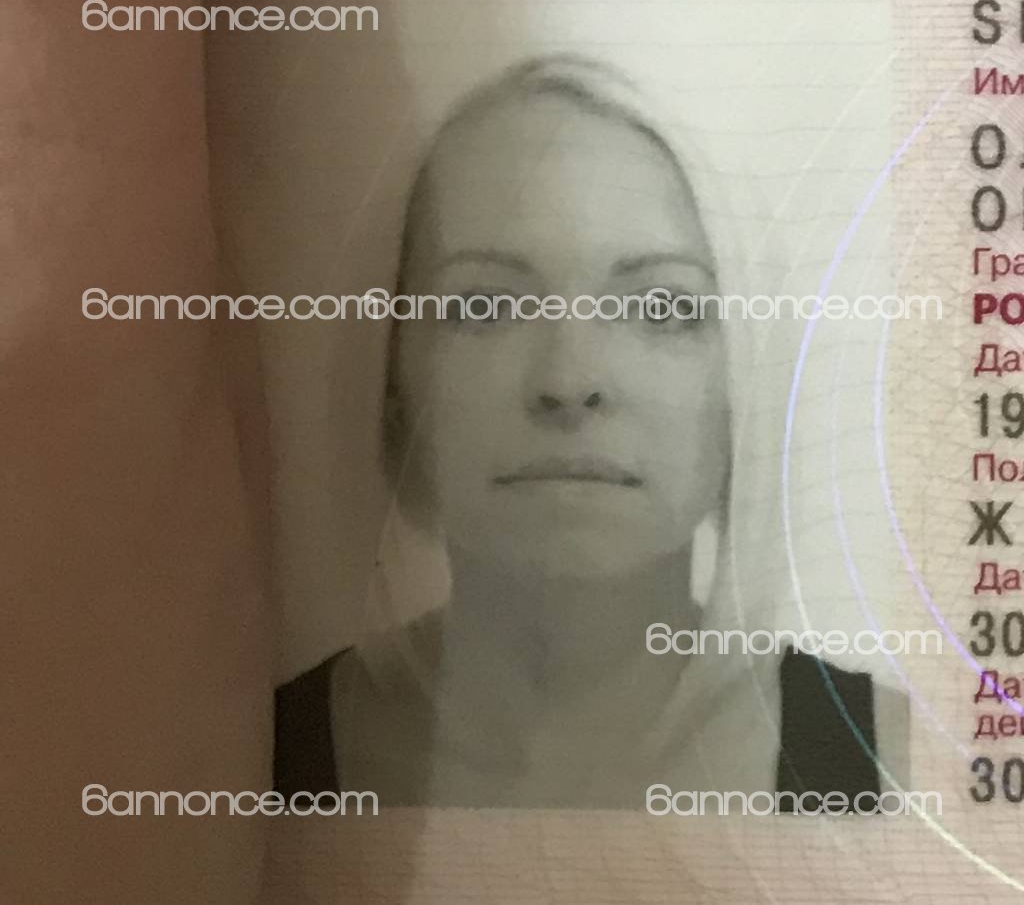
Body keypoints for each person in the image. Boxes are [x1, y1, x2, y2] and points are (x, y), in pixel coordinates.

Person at [276, 55, 906, 809]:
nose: (570, 381)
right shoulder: (248, 758)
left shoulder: (902, 763)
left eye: (662, 308)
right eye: (484, 307)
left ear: (744, 383)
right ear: (391, 381)